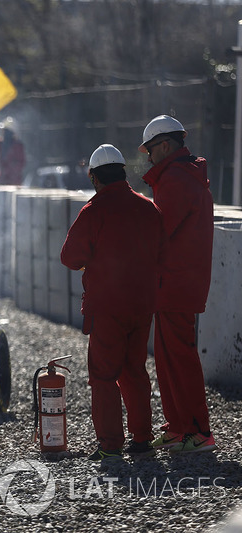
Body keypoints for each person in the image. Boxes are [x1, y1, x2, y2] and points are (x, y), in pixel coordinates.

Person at [61, 144, 165, 461]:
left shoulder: (94, 211)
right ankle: (143, 439)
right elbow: (163, 252)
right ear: (123, 172)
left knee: (104, 375)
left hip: (107, 306)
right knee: (135, 370)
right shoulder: (149, 208)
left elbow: (70, 257)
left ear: (94, 177)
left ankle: (110, 444)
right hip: (143, 303)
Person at [138, 115, 216, 453]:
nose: (149, 158)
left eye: (151, 151)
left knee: (178, 357)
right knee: (168, 357)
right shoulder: (181, 176)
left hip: (176, 282)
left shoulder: (176, 179)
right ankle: (178, 426)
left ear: (165, 146)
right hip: (176, 282)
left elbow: (157, 233)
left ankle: (198, 431)